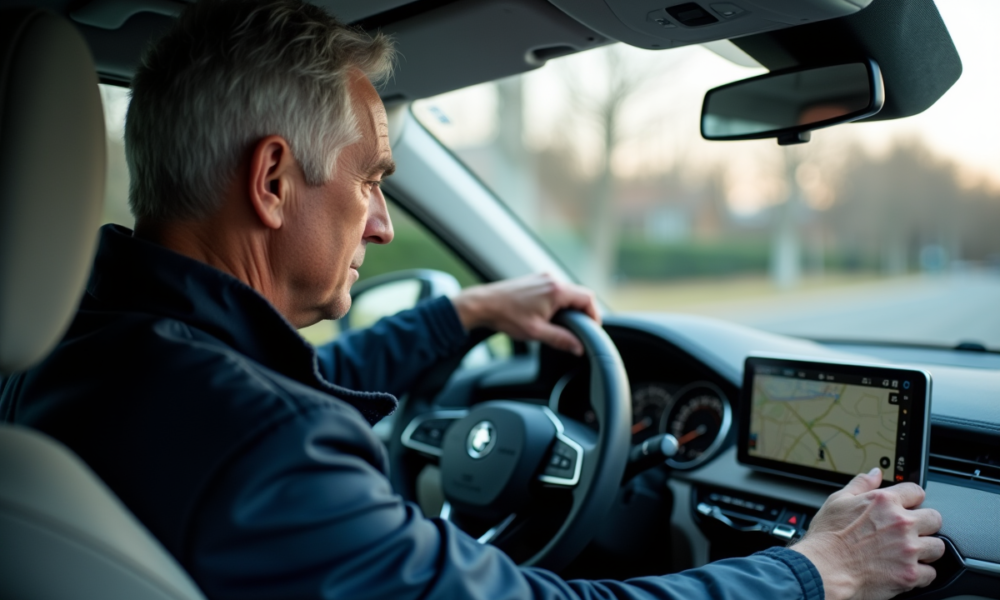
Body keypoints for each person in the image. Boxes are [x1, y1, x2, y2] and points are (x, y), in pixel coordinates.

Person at [0, 1, 945, 599]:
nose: (379, 223)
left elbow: (285, 382)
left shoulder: (92, 347)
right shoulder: (267, 449)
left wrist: (466, 314)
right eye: (372, 179)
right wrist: (817, 568)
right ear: (275, 181)